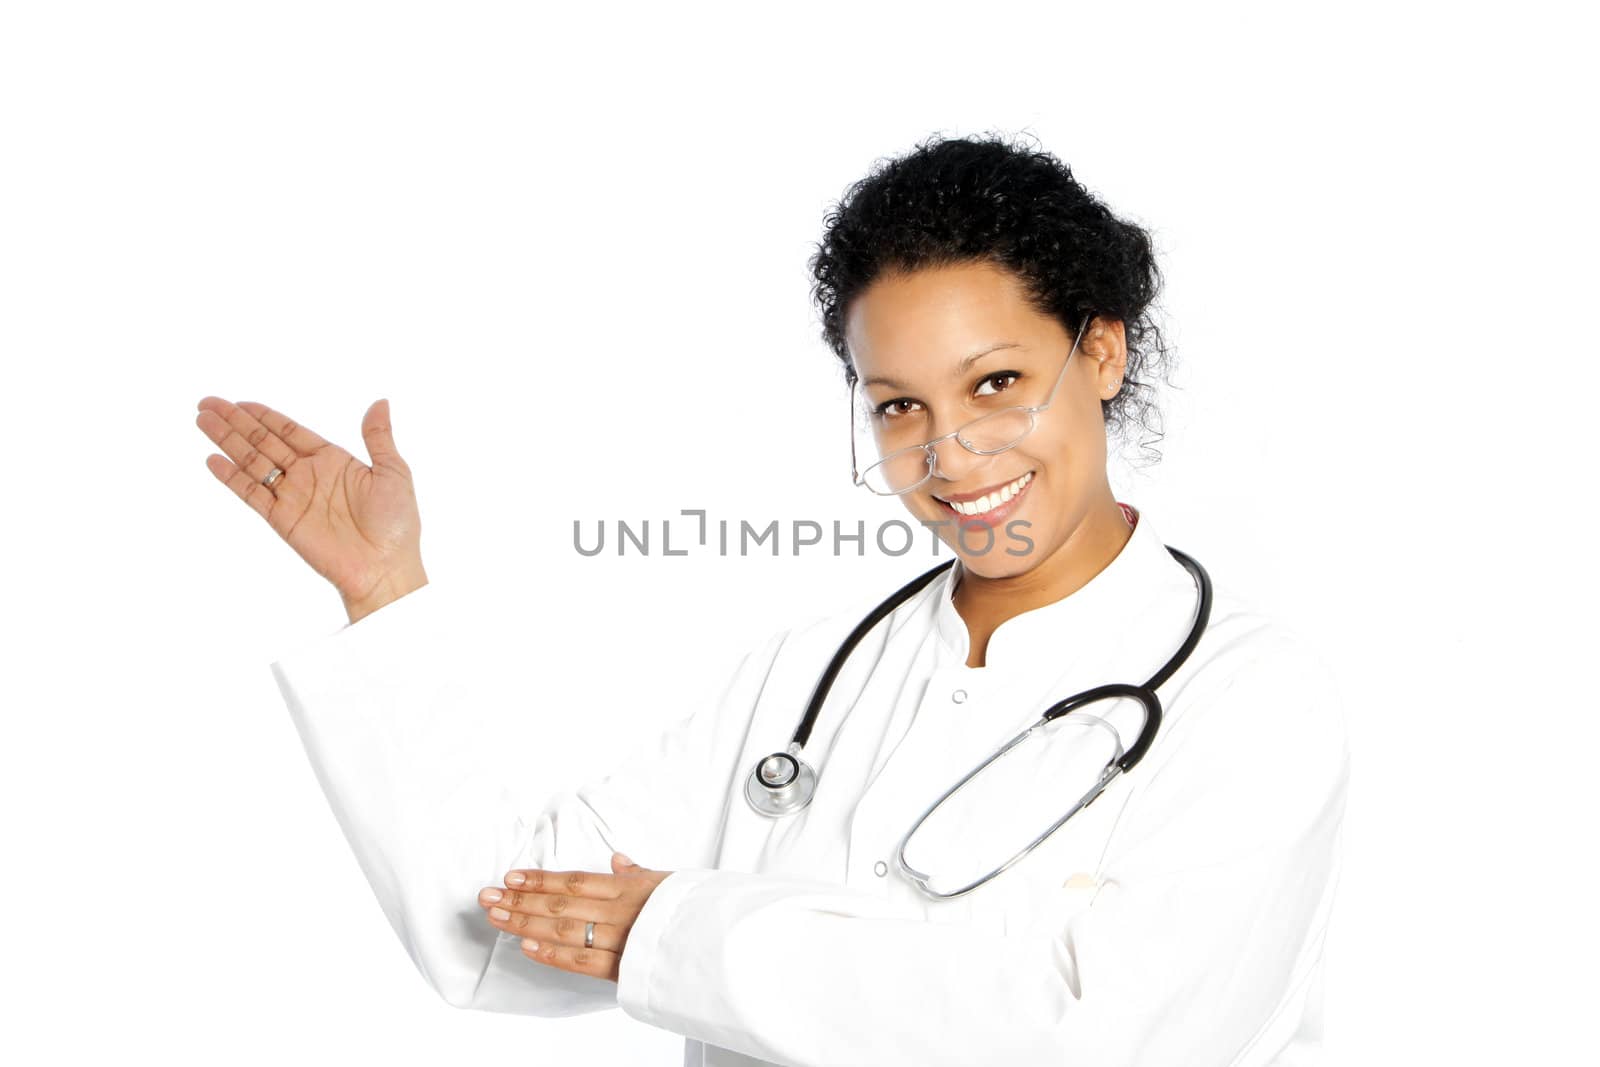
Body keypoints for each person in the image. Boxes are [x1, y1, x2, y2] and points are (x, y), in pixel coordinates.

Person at [194, 132, 1351, 1066]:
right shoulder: (811, 677)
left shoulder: (1249, 698)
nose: (949, 453)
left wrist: (678, 929)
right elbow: (496, 936)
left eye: (996, 382)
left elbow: (1103, 1034)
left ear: (1099, 353)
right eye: (896, 404)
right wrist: (385, 593)